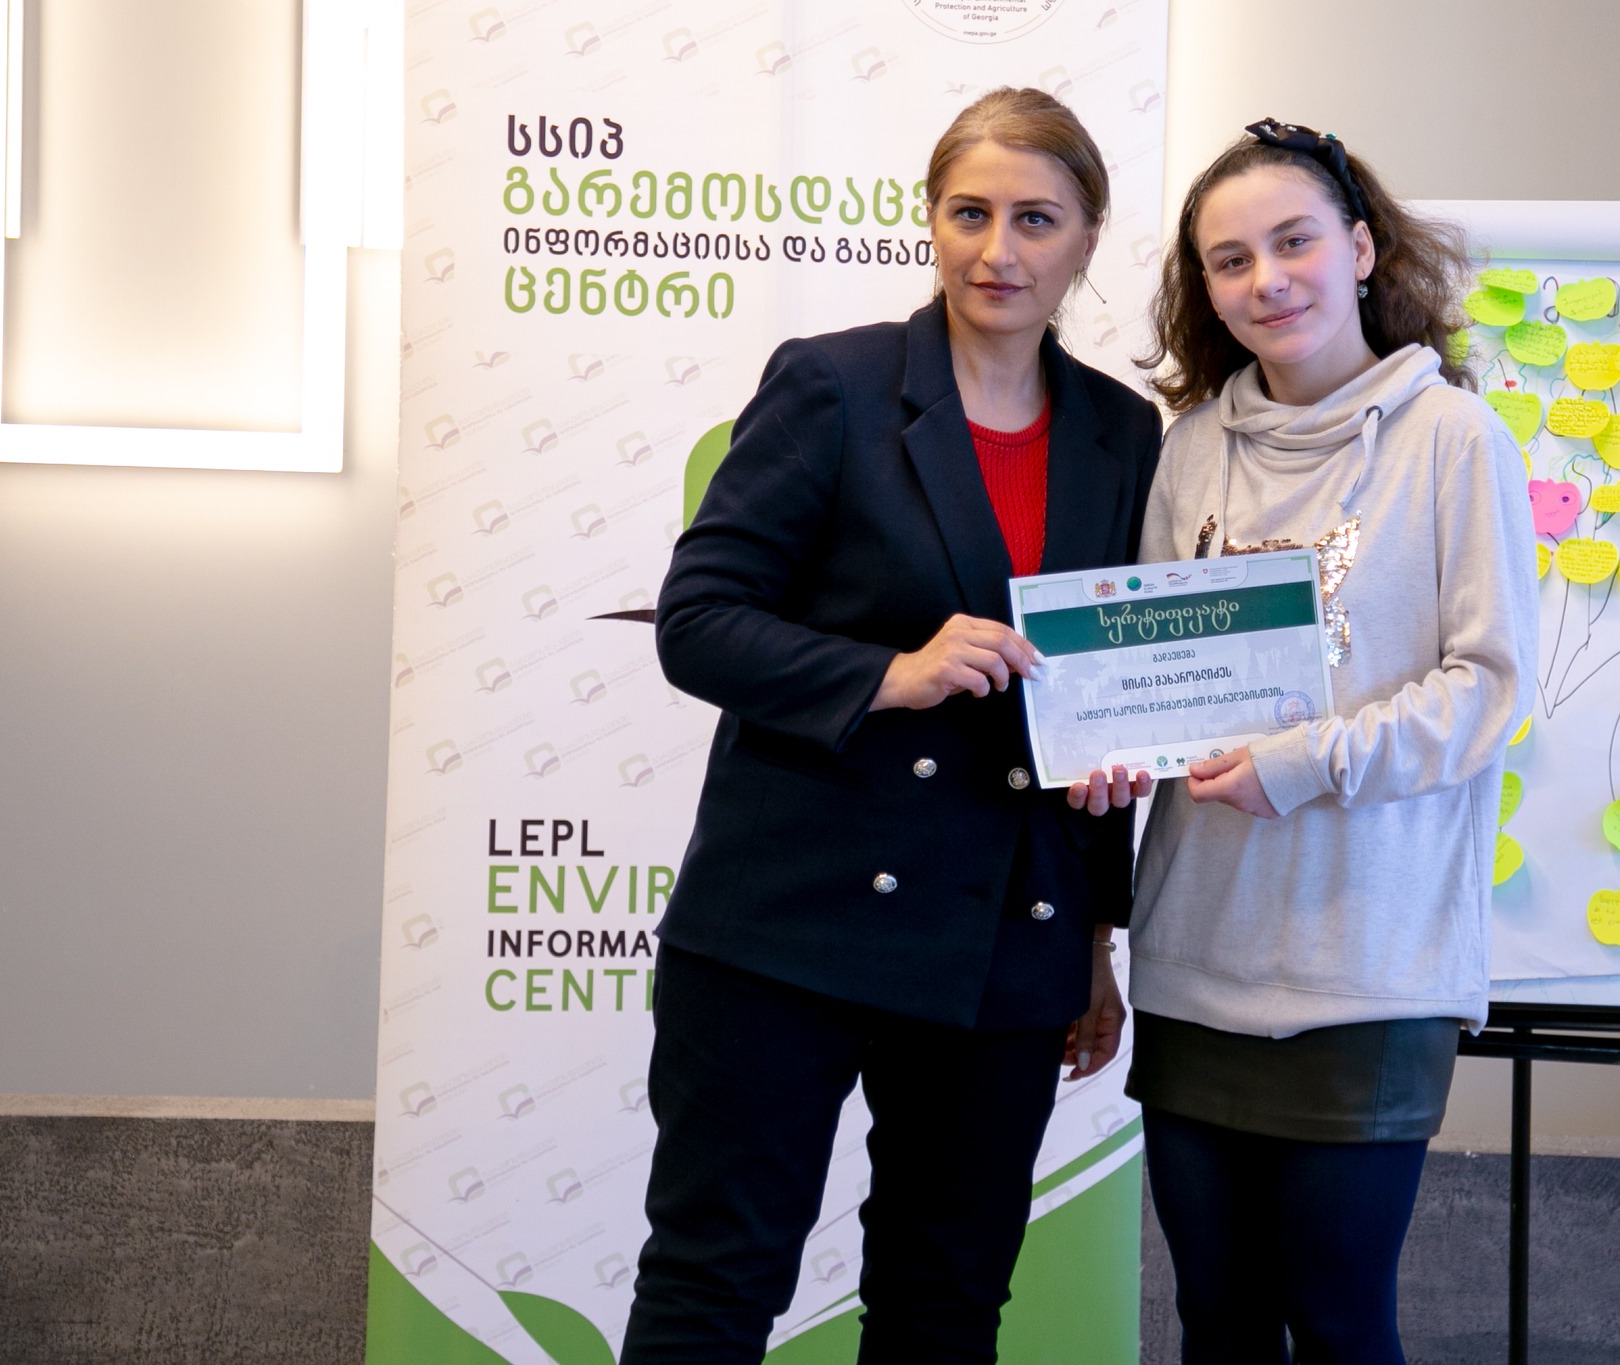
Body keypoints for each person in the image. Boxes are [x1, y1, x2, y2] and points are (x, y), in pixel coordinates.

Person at [621, 88, 1162, 1364]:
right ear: (929, 220)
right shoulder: (834, 385)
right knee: (713, 1287)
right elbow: (696, 621)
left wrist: (1093, 939)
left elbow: (1095, 694)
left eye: (1035, 219)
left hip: (1006, 939)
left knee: (944, 1306)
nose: (997, 250)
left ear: (1087, 239)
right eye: (969, 213)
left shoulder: (1121, 430)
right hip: (786, 927)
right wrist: (890, 674)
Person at [1125, 121, 1538, 1364]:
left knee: (1341, 1324)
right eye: (1229, 260)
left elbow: (1486, 691)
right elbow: (1153, 680)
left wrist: (1300, 764)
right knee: (1215, 1325)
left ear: (1359, 249)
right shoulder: (1189, 451)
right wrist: (1111, 737)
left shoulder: (1451, 438)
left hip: (1369, 969)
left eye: (1293, 242)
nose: (1266, 280)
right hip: (1194, 959)